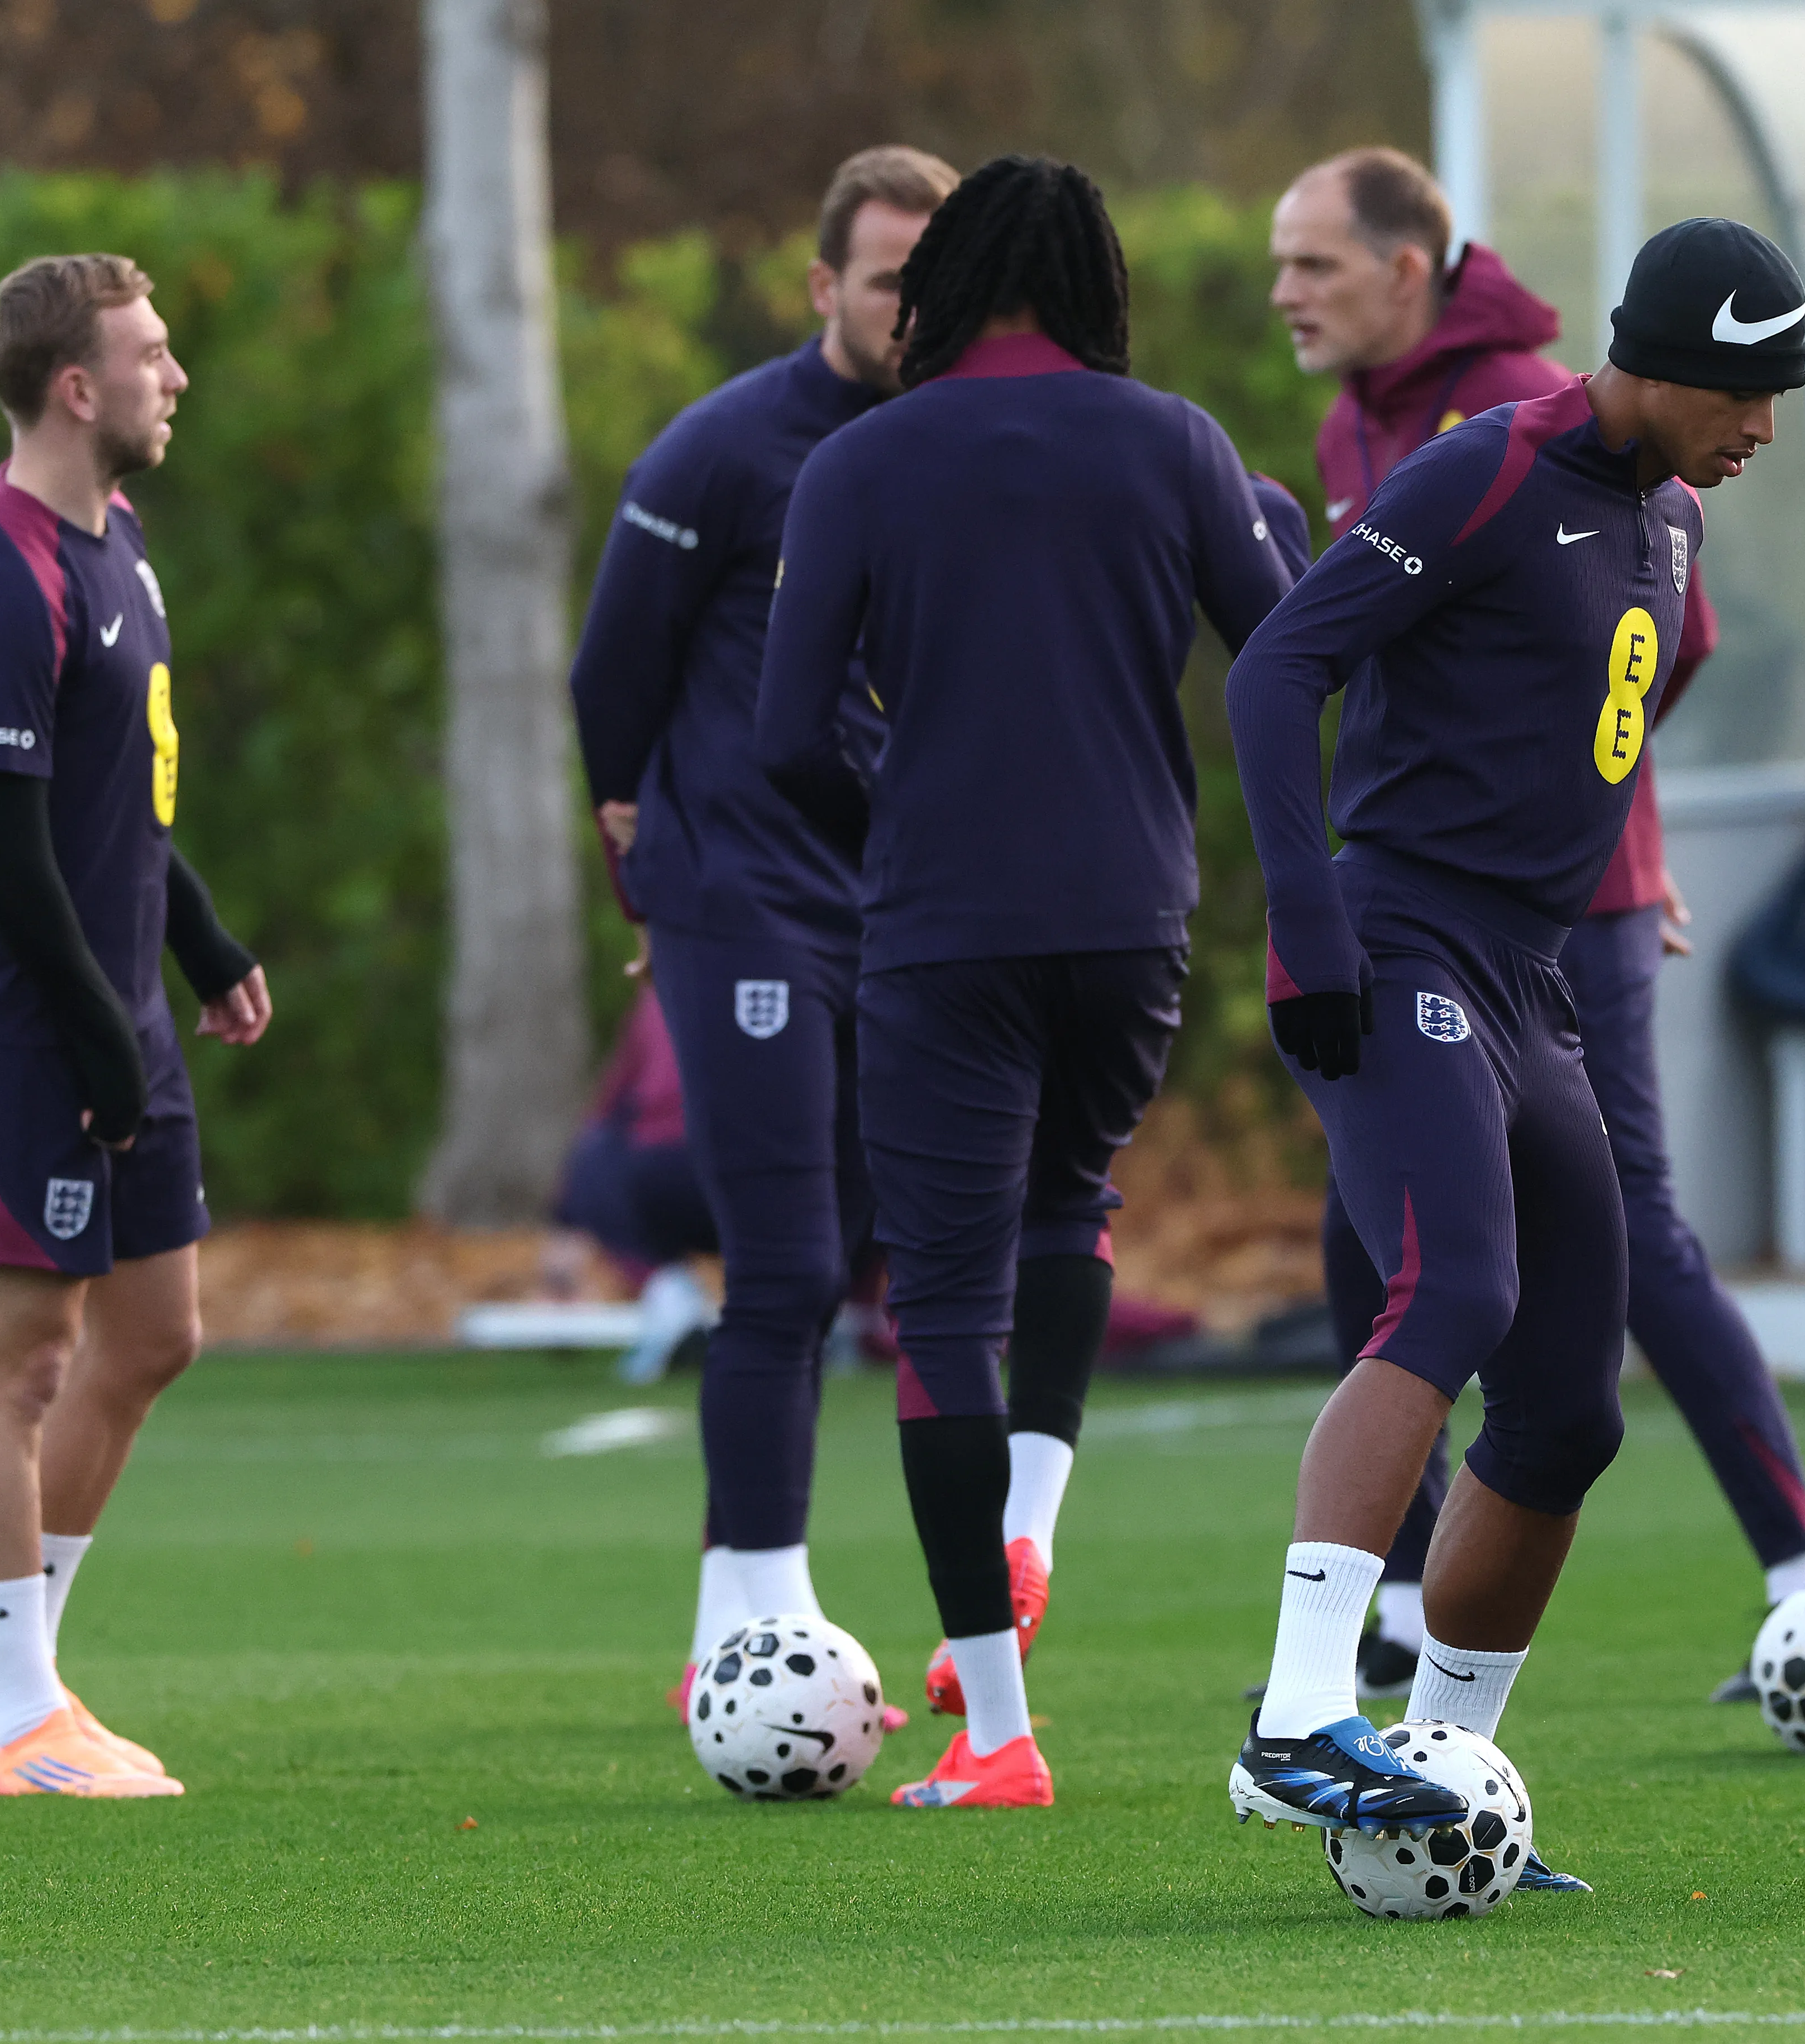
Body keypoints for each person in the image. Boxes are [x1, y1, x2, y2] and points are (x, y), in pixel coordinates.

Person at [1223, 218, 1805, 1860]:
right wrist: (1308, 921)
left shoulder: (1672, 524)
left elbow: (1620, 704)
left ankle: (1445, 1767)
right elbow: (1278, 671)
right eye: (1748, 392)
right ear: (1673, 358)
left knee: (1567, 1409)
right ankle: (1293, 1712)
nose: (1764, 426)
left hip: (1531, 975)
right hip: (1398, 937)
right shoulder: (1485, 468)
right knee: (1454, 1287)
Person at [758, 154, 1298, 1811]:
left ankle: (994, 1731)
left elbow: (784, 741)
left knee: (938, 1310)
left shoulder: (860, 462)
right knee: (1074, 1200)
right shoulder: (1177, 440)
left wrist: (896, 820)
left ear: (942, 280)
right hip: (1130, 916)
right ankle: (1030, 1522)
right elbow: (1282, 656)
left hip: (946, 924)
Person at [570, 144, 958, 1714]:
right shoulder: (722, 451)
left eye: (935, 285)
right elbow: (615, 669)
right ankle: (757, 1632)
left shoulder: (956, 443)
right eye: (883, 282)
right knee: (785, 1266)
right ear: (822, 287)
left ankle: (750, 1616)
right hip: (740, 899)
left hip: (905, 911)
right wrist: (631, 833)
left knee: (867, 1265)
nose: (908, 311)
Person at [0, 252, 273, 1796]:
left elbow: (119, 800)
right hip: (26, 1024)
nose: (174, 376)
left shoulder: (118, 540)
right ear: (77, 386)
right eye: (151, 353)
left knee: (152, 1333)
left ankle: (8, 1665)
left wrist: (198, 944)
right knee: (19, 1358)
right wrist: (93, 1035)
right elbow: (3, 854)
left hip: (119, 1005)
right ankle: (23, 1718)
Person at [548, 983, 722, 1385]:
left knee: (594, 1151)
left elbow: (609, 1107)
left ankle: (667, 1292)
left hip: (670, 1174)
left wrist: (564, 1220)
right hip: (778, 1182)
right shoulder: (808, 963)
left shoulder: (662, 991)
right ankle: (846, 1309)